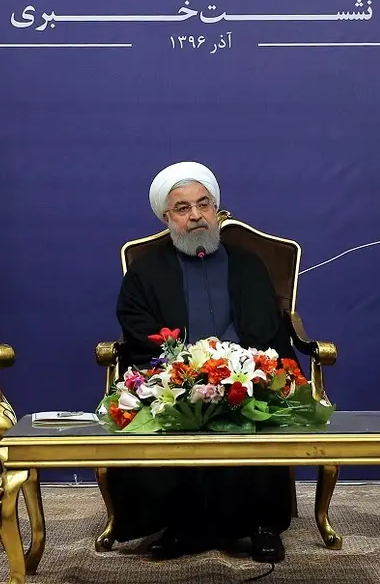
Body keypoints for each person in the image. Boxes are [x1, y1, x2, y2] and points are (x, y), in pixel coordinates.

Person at [106, 162, 294, 563]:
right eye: (183, 208)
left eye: (203, 204)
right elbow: (138, 329)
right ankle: (181, 526)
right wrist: (188, 368)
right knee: (165, 411)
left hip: (243, 376)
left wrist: (237, 364)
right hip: (176, 379)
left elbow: (267, 328)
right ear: (166, 218)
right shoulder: (146, 272)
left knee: (259, 409)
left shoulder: (248, 265)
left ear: (216, 210)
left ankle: (261, 525)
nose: (195, 215)